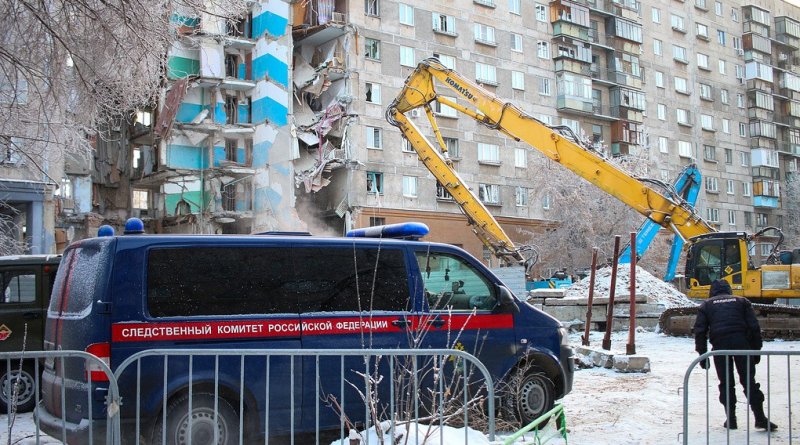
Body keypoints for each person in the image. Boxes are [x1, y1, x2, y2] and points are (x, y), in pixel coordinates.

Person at [693, 279, 778, 431]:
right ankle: (760, 418)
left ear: (712, 291)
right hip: (742, 345)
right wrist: (756, 351)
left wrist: (702, 355)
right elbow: (754, 328)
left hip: (720, 347)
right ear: (729, 289)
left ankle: (731, 419)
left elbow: (700, 331)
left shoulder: (706, 305)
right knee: (749, 382)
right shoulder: (742, 301)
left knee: (726, 383)